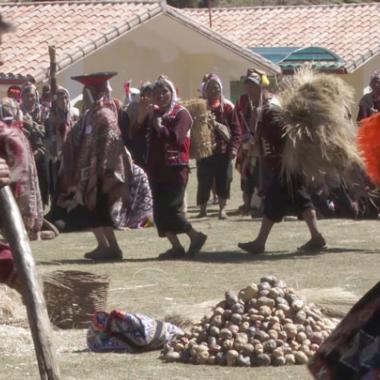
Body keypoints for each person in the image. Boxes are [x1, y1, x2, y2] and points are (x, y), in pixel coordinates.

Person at [238, 100, 326, 254]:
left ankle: (260, 242)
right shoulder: (268, 117)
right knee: (302, 201)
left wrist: (257, 139)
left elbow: (277, 141)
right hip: (285, 166)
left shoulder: (270, 117)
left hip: (285, 167)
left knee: (277, 201)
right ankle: (316, 236)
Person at [64, 72, 132, 260]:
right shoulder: (91, 115)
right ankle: (104, 245)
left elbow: (111, 144)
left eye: (87, 94)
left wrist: (102, 169)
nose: (84, 98)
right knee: (93, 211)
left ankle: (112, 247)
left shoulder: (104, 114)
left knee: (99, 210)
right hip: (90, 171)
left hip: (102, 171)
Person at [143, 76, 207, 258]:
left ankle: (195, 236)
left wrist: (159, 128)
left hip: (175, 168)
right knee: (159, 211)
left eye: (164, 92)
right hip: (156, 169)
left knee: (172, 209)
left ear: (172, 93)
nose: (161, 96)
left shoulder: (182, 114)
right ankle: (176, 247)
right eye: (156, 93)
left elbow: (177, 139)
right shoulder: (153, 115)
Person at [196, 74, 241, 219]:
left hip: (223, 152)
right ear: (206, 91)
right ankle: (203, 209)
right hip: (205, 152)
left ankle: (222, 209)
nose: (214, 90)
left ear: (220, 90)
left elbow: (236, 130)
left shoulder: (227, 108)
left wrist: (234, 148)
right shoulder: (200, 108)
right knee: (204, 181)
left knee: (225, 180)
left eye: (216, 88)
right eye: (211, 88)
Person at [235, 69, 270, 215]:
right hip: (248, 144)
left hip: (264, 145)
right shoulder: (243, 101)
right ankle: (248, 205)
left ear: (260, 86)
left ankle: (263, 206)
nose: (250, 89)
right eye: (247, 85)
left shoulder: (267, 100)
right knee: (248, 175)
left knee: (263, 176)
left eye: (253, 85)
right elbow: (238, 121)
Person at [20, 82, 50, 206]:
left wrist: (41, 151)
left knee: (44, 182)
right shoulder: (18, 112)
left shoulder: (44, 111)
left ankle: (43, 207)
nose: (30, 98)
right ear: (22, 97)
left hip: (42, 152)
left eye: (32, 95)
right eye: (27, 96)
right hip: (24, 153)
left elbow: (50, 134)